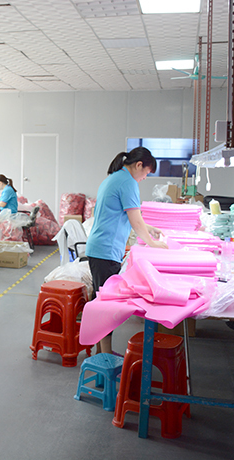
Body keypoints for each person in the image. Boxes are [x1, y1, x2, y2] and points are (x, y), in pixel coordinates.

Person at [86, 148, 168, 354]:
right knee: (106, 307)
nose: (144, 178)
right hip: (105, 250)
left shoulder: (114, 178)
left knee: (102, 302)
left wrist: (149, 229)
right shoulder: (128, 182)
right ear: (139, 165)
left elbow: (127, 216)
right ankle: (104, 355)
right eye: (146, 173)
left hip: (100, 248)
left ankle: (101, 352)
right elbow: (135, 220)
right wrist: (152, 243)